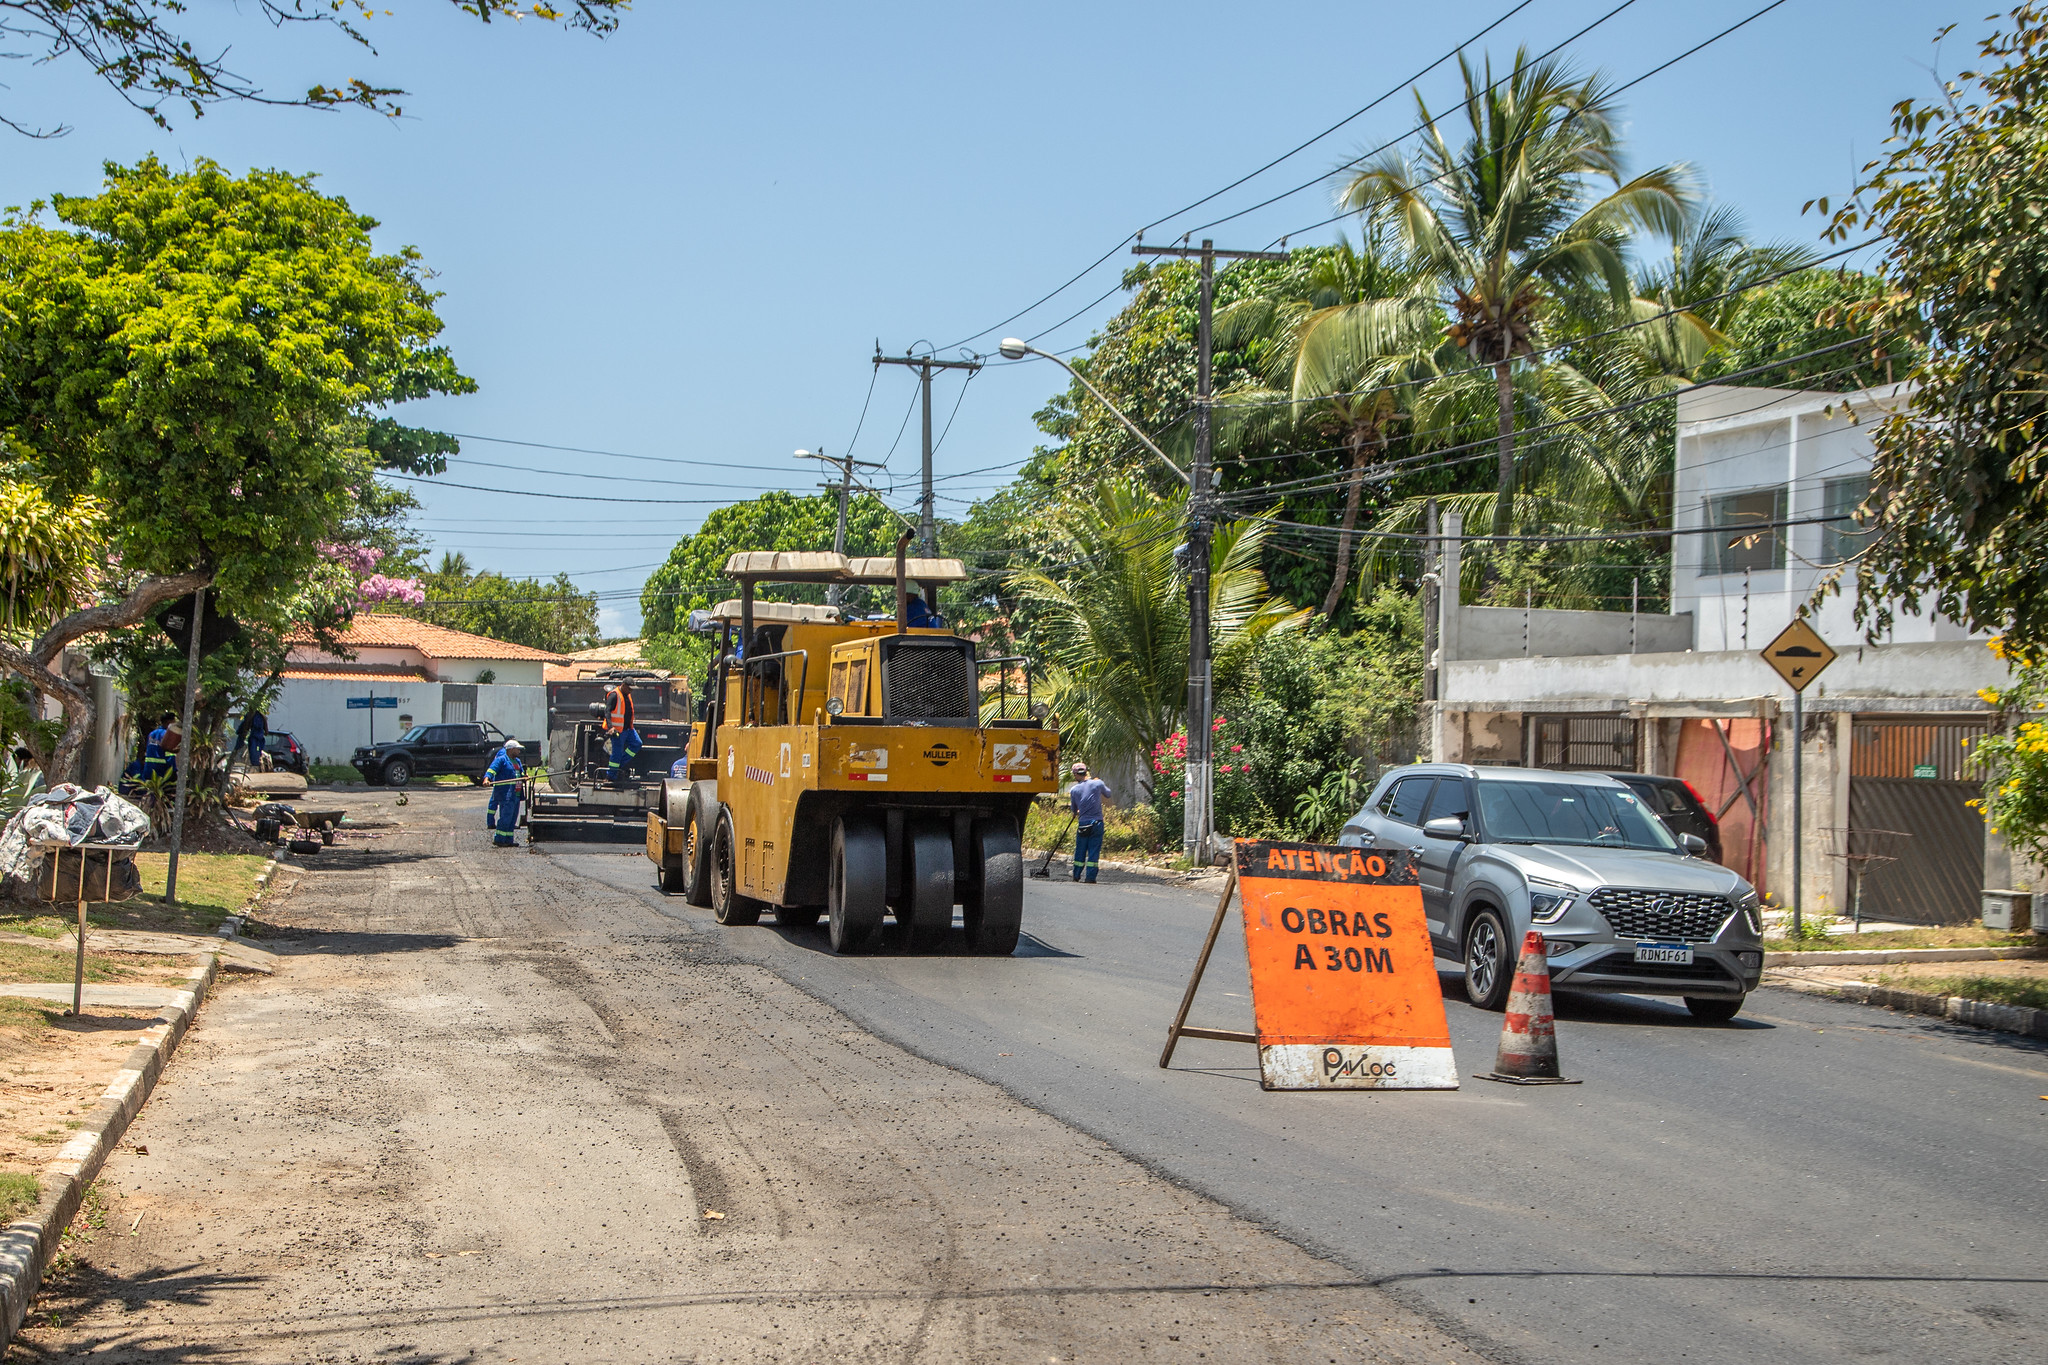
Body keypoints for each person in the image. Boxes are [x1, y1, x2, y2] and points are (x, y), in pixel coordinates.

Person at [1067, 760, 1110, 885]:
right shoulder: (1097, 783)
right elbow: (1108, 794)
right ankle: (1090, 877)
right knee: (1094, 850)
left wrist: (1078, 810)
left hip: (1084, 824)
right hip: (1097, 823)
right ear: (1086, 772)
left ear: (1075, 775)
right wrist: (1099, 783)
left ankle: (1076, 875)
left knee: (1080, 849)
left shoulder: (1074, 790)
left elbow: (1074, 810)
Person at [486, 739, 526, 848]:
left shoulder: (517, 761)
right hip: (506, 794)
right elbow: (491, 770)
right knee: (506, 817)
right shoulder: (501, 760)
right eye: (517, 749)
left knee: (513, 818)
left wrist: (525, 777)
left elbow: (521, 773)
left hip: (516, 794)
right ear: (511, 749)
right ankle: (499, 839)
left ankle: (508, 839)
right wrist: (487, 779)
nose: (519, 751)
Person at [603, 683, 636, 786]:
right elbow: (607, 711)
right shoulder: (614, 695)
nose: (631, 691)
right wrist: (610, 727)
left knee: (637, 744)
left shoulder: (627, 695)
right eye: (630, 689)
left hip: (628, 729)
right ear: (624, 686)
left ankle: (619, 764)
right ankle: (611, 776)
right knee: (616, 753)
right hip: (617, 730)